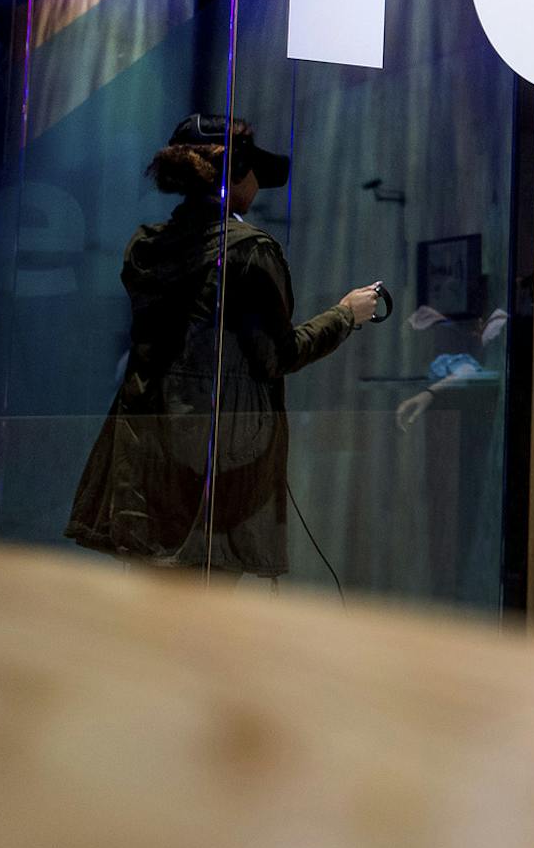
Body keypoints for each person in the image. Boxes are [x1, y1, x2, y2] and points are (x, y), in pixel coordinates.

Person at [65, 115, 381, 579]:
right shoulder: (250, 251)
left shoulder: (147, 247)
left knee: (153, 615)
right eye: (252, 169)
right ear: (234, 173)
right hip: (213, 458)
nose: (257, 182)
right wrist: (345, 315)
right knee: (200, 617)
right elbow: (280, 354)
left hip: (145, 452)